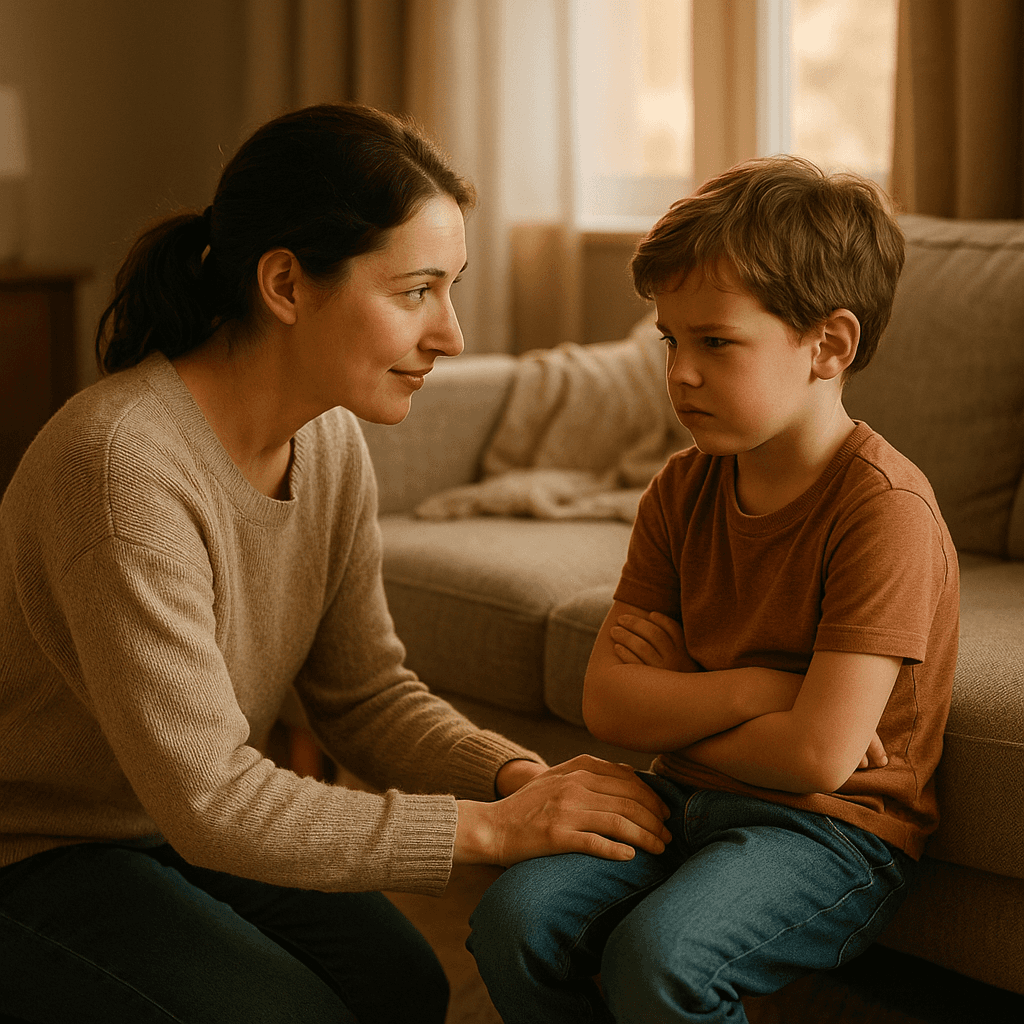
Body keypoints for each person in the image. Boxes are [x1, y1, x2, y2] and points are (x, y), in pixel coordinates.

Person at [0, 103, 673, 1024]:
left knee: (401, 985)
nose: (452, 334)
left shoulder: (327, 442)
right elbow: (212, 798)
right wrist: (491, 832)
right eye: (416, 292)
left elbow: (363, 695)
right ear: (285, 282)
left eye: (452, 288)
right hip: (31, 847)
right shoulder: (121, 468)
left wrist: (517, 779)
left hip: (162, 826)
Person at [467, 156, 960, 1023]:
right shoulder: (680, 488)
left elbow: (819, 762)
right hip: (677, 793)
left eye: (716, 342)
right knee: (515, 918)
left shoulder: (884, 512)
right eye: (671, 341)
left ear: (829, 346)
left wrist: (683, 698)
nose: (680, 373)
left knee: (661, 959)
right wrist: (761, 691)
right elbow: (610, 707)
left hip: (832, 831)